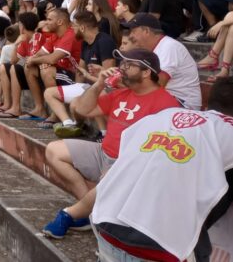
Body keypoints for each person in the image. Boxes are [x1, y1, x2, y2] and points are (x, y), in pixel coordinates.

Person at [42, 49, 180, 239]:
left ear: (147, 72)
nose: (121, 68)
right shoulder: (121, 93)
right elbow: (82, 109)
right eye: (122, 64)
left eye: (128, 65)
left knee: (111, 176)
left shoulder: (167, 103)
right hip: (103, 151)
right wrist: (99, 84)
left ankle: (70, 213)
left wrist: (124, 163)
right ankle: (90, 211)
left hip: (130, 163)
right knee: (53, 150)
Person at [91, 105, 233, 262]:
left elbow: (117, 170)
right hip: (166, 249)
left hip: (106, 225)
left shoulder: (164, 113)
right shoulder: (225, 132)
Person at [45, 11, 116, 137]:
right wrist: (77, 87)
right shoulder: (85, 42)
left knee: (83, 101)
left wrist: (90, 77)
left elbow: (108, 80)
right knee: (49, 93)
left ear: (82, 27)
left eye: (75, 26)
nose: (72, 29)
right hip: (88, 86)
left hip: (102, 88)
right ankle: (68, 124)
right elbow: (80, 70)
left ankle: (104, 134)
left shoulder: (104, 41)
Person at [123, 13, 202, 110]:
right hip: (166, 99)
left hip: (183, 104)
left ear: (147, 31)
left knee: (128, 103)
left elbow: (157, 84)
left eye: (133, 31)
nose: (130, 35)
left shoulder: (168, 46)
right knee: (115, 99)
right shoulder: (152, 49)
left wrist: (123, 83)